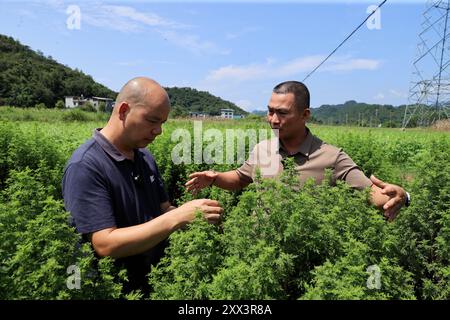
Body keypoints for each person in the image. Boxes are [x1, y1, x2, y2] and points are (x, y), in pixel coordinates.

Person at [62, 77, 223, 293]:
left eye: (162, 123)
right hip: (114, 289)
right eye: (152, 120)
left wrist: (196, 217)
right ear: (124, 110)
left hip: (155, 282)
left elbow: (163, 208)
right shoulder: (86, 166)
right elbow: (104, 244)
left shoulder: (144, 157)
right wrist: (177, 217)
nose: (159, 131)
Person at [186, 81, 410, 221]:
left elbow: (372, 194)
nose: (273, 120)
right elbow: (240, 178)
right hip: (258, 253)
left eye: (282, 113)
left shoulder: (332, 157)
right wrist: (215, 178)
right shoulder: (262, 149)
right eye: (270, 111)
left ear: (305, 115)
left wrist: (402, 196)